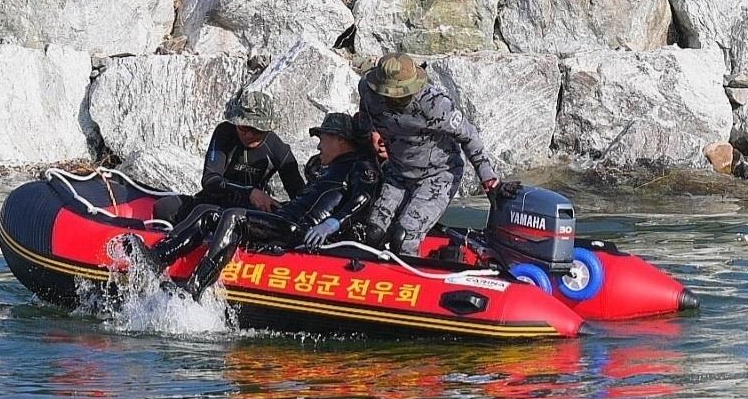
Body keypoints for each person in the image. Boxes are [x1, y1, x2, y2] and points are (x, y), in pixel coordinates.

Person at [131, 112, 380, 299]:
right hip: (287, 217)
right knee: (208, 213)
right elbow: (305, 195)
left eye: (322, 139)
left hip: (299, 229)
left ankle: (195, 287)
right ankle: (156, 259)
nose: (318, 145)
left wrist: (333, 223)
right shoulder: (329, 166)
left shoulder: (360, 166)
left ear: (340, 140)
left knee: (235, 218)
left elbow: (363, 198)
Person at [358, 52, 500, 256]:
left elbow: (469, 136)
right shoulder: (368, 90)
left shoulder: (434, 104)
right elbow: (365, 112)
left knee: (404, 236)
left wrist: (488, 178)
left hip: (438, 174)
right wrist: (372, 132)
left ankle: (410, 281)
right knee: (373, 233)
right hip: (398, 171)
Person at [152, 92, 305, 223]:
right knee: (165, 206)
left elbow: (300, 197)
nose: (249, 135)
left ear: (267, 129)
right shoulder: (225, 132)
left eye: (257, 129)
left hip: (248, 212)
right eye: (244, 127)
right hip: (214, 202)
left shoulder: (278, 149)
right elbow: (210, 179)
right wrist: (249, 192)